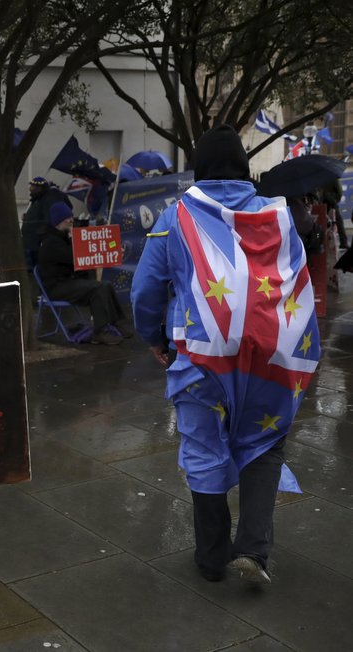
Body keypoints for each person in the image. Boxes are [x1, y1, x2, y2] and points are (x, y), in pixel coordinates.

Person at [130, 125, 321, 584]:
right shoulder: (278, 216)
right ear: (243, 168)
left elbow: (144, 291)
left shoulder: (176, 216)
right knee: (266, 443)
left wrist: (153, 338)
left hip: (201, 357)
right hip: (270, 359)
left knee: (203, 447)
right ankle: (254, 552)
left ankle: (213, 558)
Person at [36, 201, 132, 344]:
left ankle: (114, 323)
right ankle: (100, 331)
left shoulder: (61, 238)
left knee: (106, 285)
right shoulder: (51, 242)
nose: (71, 220)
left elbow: (77, 262)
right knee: (98, 289)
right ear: (58, 221)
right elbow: (75, 259)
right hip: (56, 287)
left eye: (71, 216)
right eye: (67, 217)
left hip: (66, 282)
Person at [21, 176, 70, 268]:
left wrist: (41, 236)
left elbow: (48, 220)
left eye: (36, 187)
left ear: (42, 188)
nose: (32, 189)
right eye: (31, 187)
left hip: (37, 244)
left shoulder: (47, 200)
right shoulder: (36, 200)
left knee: (37, 266)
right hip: (30, 243)